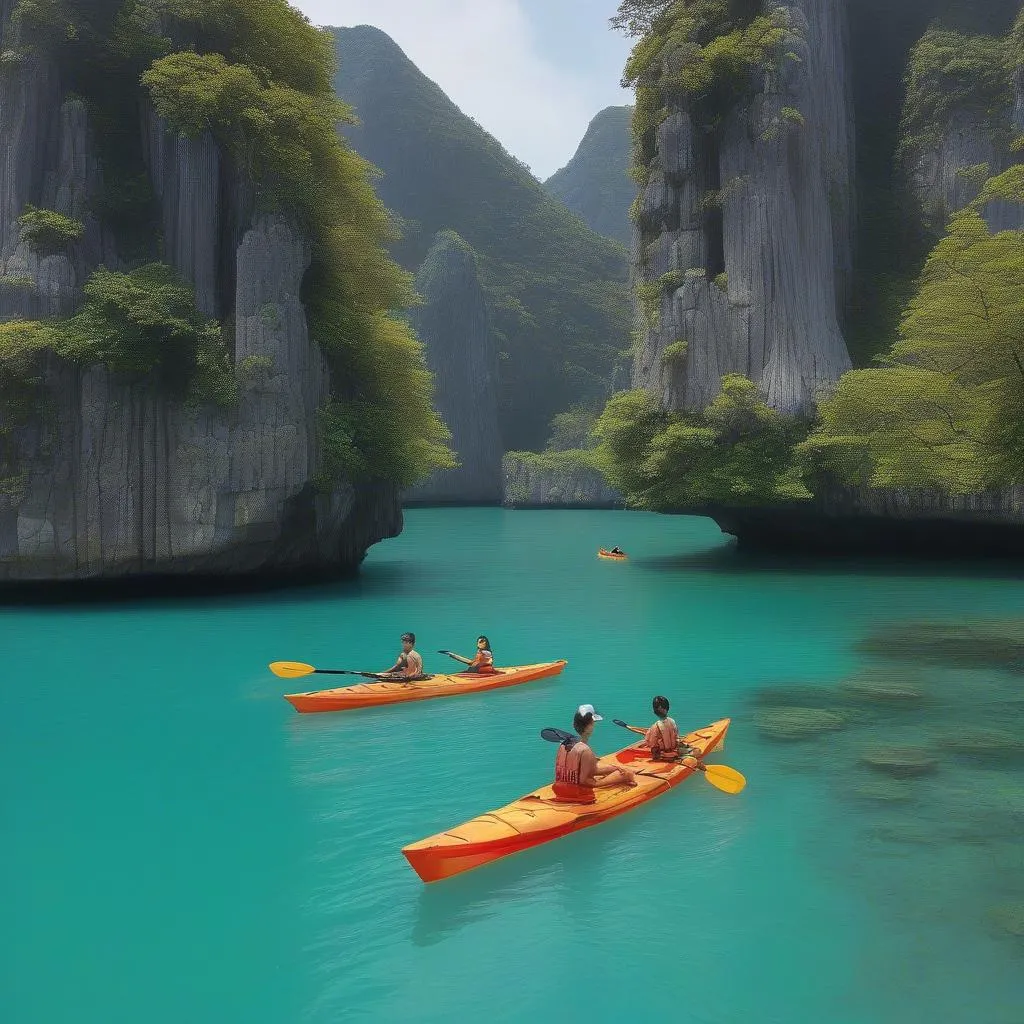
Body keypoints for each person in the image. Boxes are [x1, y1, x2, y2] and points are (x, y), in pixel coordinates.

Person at [553, 704, 635, 799]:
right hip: (579, 792)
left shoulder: (563, 744)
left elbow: (582, 770)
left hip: (559, 788)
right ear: (590, 726)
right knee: (628, 774)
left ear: (574, 725)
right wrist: (619, 776)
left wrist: (615, 768)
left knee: (618, 771)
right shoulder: (585, 750)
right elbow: (585, 781)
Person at [644, 696, 698, 760]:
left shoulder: (656, 727)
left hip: (668, 754)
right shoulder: (670, 722)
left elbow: (652, 745)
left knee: (695, 752)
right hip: (670, 753)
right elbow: (676, 739)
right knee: (693, 753)